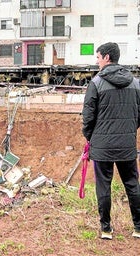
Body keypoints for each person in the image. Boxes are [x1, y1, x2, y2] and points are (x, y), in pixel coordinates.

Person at [82, 42, 140, 240]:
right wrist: (129, 131)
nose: (97, 62)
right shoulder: (135, 83)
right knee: (132, 184)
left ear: (106, 57)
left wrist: (91, 138)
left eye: (98, 57)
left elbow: (88, 117)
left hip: (102, 147)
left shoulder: (96, 83)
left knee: (103, 186)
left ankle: (106, 229)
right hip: (127, 145)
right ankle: (138, 228)